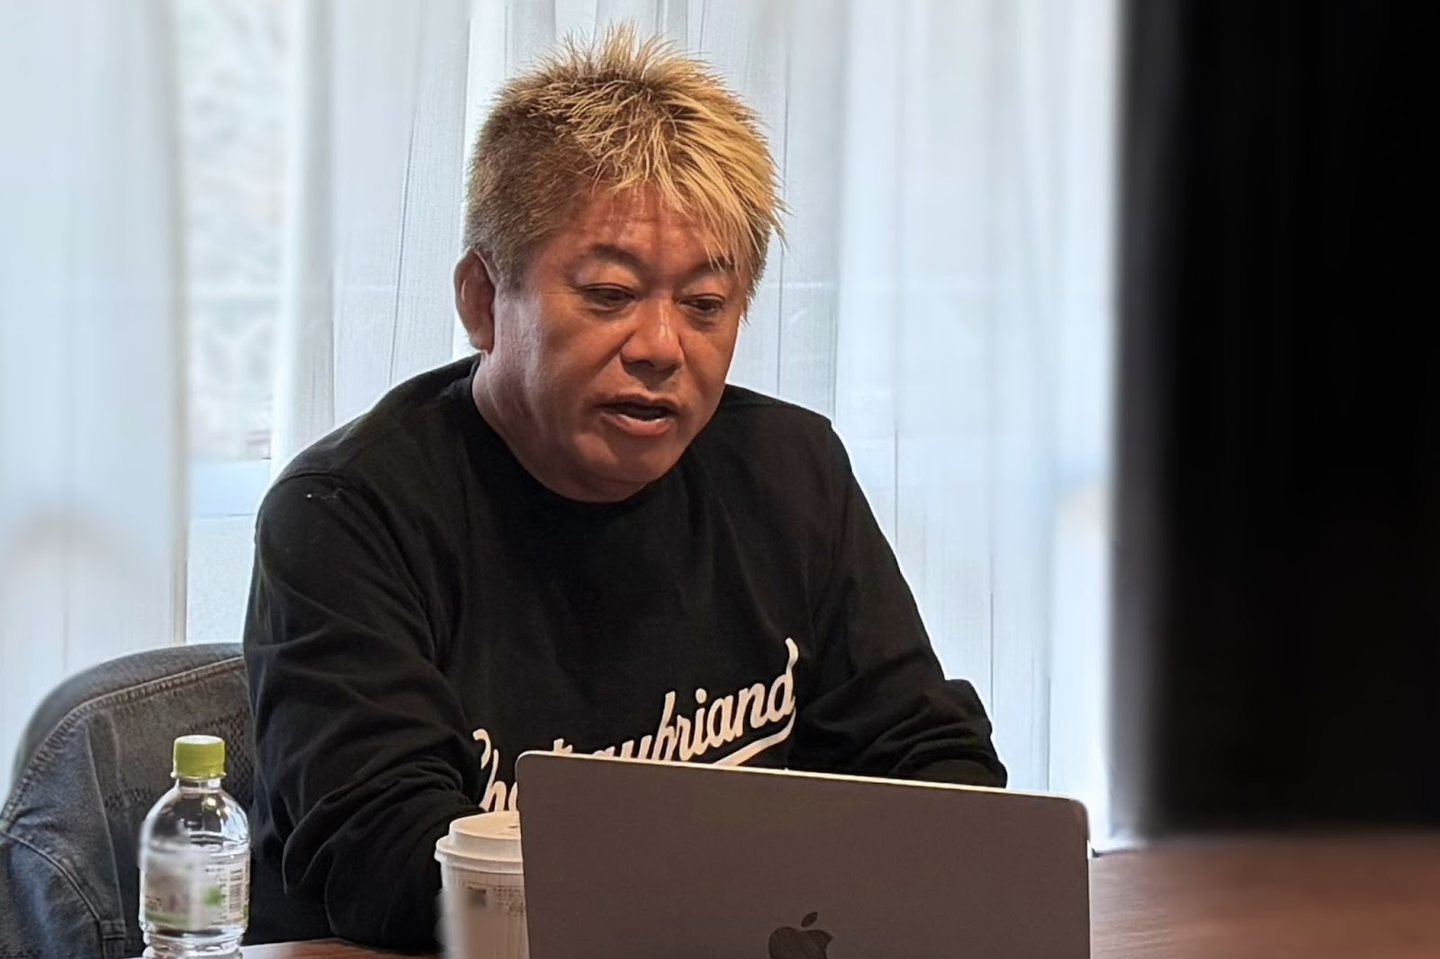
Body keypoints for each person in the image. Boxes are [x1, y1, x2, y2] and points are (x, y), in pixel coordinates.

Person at [243, 27, 1006, 949]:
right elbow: (396, 867)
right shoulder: (345, 512)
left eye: (706, 305)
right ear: (483, 300)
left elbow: (935, 768)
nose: (661, 347)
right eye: (609, 294)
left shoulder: (790, 469)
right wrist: (752, 880)